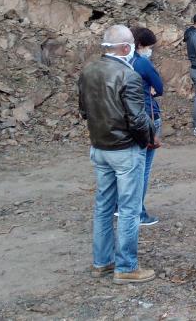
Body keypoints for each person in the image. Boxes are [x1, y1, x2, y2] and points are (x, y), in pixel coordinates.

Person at [78, 25, 155, 284]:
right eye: (132, 43)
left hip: (99, 148)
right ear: (125, 48)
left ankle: (102, 262)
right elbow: (137, 119)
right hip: (125, 150)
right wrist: (147, 141)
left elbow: (84, 111)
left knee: (103, 207)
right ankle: (126, 266)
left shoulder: (88, 71)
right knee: (129, 209)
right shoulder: (128, 76)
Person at [130, 27, 163, 227]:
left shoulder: (118, 63)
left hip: (124, 118)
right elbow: (159, 87)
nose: (150, 50)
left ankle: (121, 206)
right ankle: (139, 212)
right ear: (142, 44)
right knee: (143, 168)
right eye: (149, 47)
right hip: (146, 115)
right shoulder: (142, 63)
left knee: (129, 166)